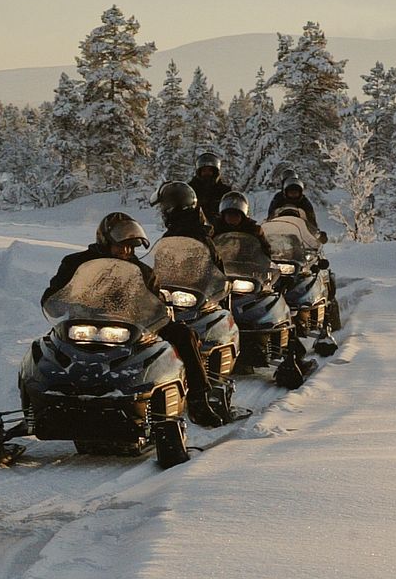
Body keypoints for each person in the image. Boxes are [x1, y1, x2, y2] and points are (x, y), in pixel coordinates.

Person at [41, 211, 226, 428]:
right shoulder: (75, 263)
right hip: (84, 323)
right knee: (44, 349)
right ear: (105, 241)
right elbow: (53, 295)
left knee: (185, 335)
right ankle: (40, 401)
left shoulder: (143, 271)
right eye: (121, 245)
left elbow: (156, 305)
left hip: (132, 325)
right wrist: (63, 301)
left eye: (131, 246)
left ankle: (198, 400)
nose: (126, 251)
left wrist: (154, 314)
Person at [267, 173, 325, 240]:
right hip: (278, 231)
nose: (293, 194)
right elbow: (271, 216)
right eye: (291, 192)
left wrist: (317, 234)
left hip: (301, 234)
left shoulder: (304, 201)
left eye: (296, 192)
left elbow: (311, 219)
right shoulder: (278, 198)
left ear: (300, 192)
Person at [212, 190, 272, 255]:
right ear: (223, 216)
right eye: (229, 214)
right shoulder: (215, 228)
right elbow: (207, 250)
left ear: (242, 217)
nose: (232, 218)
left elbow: (266, 251)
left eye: (236, 215)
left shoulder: (253, 229)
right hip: (220, 263)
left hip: (248, 263)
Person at [188, 151, 234, 224]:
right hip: (194, 227)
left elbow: (233, 210)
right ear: (199, 172)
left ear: (215, 172)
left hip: (219, 228)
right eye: (204, 171)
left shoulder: (224, 190)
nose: (207, 173)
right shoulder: (190, 190)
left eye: (210, 170)